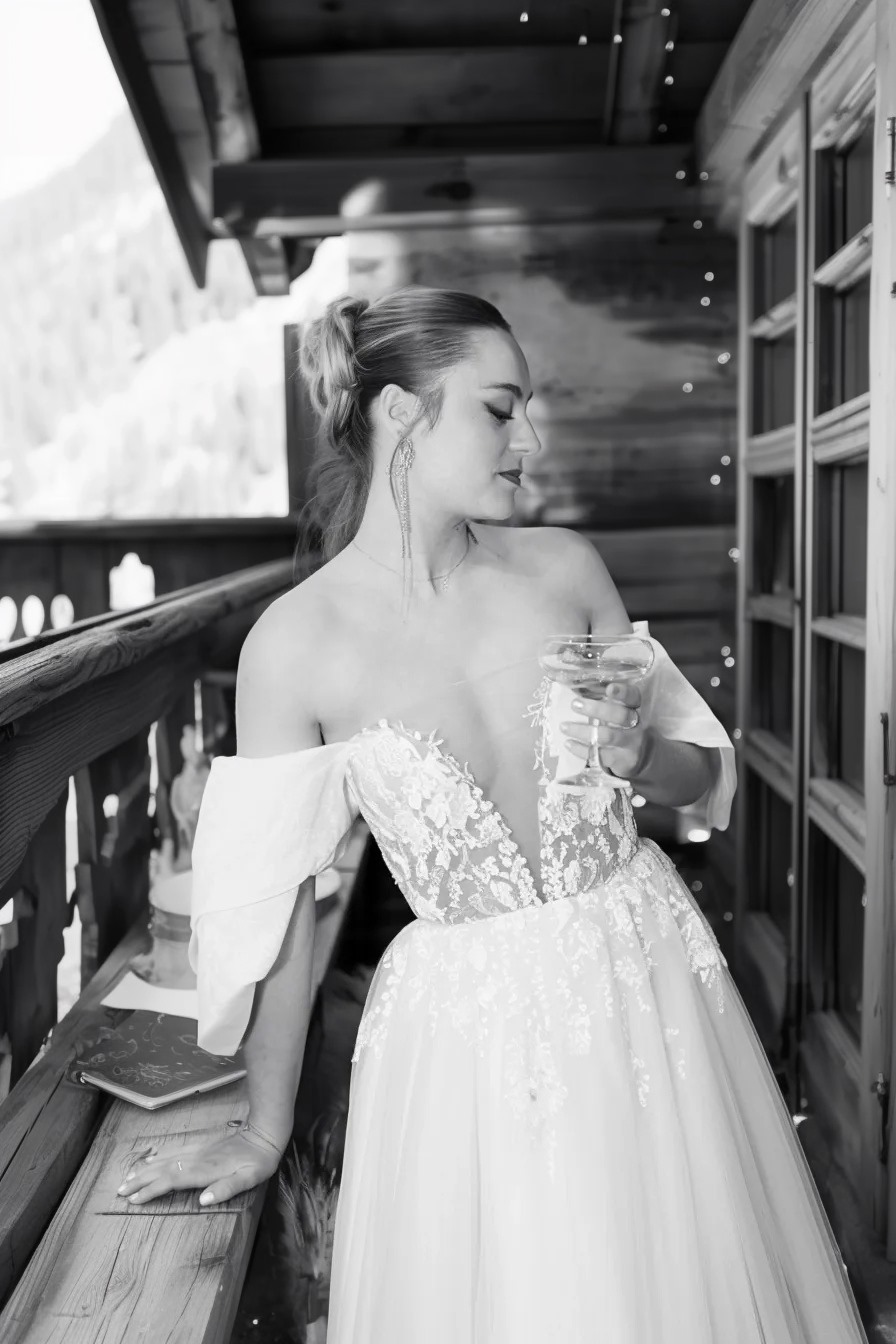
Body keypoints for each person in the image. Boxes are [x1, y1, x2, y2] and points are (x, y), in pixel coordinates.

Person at [116, 288, 869, 1343]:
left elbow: (704, 778)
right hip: (464, 1043)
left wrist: (642, 756)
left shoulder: (564, 571)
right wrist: (262, 1129)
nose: (529, 436)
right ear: (398, 416)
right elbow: (286, 912)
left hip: (643, 983)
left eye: (528, 410)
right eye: (499, 408)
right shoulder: (293, 646)